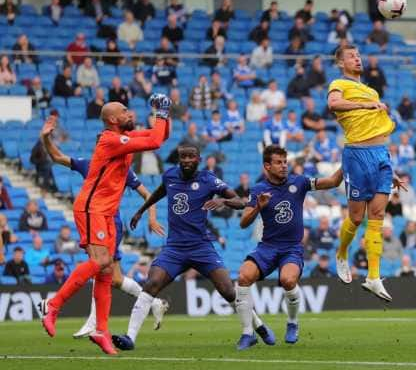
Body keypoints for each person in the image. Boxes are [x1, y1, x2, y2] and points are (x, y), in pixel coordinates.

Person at [40, 95, 170, 355]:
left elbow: (161, 137)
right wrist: (161, 113)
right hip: (92, 208)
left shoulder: (124, 141)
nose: (130, 113)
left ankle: (101, 330)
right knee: (100, 263)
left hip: (108, 213)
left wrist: (164, 112)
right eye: (124, 112)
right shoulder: (110, 140)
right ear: (112, 119)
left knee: (107, 271)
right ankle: (53, 305)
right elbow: (155, 139)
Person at [111, 144, 272, 351]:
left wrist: (222, 200)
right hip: (175, 248)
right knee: (152, 283)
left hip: (201, 247)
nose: (187, 160)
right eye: (183, 157)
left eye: (191, 156)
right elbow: (159, 192)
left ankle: (257, 326)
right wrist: (141, 211)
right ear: (179, 159)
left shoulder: (208, 179)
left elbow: (240, 201)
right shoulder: (170, 176)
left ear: (199, 159)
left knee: (227, 290)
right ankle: (130, 337)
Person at [231, 145, 343, 349]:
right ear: (267, 166)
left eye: (285, 162)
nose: (284, 166)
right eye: (278, 162)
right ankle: (248, 333)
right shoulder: (258, 190)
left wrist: (349, 162)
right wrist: (258, 206)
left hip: (292, 247)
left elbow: (333, 181)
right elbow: (244, 222)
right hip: (267, 247)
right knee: (243, 277)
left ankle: (293, 323)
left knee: (287, 280)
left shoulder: (299, 182)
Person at [327, 44, 406, 302]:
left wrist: (390, 169)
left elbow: (376, 127)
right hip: (357, 155)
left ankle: (373, 277)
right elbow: (333, 104)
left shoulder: (371, 90)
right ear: (341, 63)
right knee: (356, 216)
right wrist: (366, 107)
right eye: (351, 56)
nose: (357, 59)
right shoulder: (339, 83)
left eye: (358, 55)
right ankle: (342, 253)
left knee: (378, 215)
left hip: (381, 155)